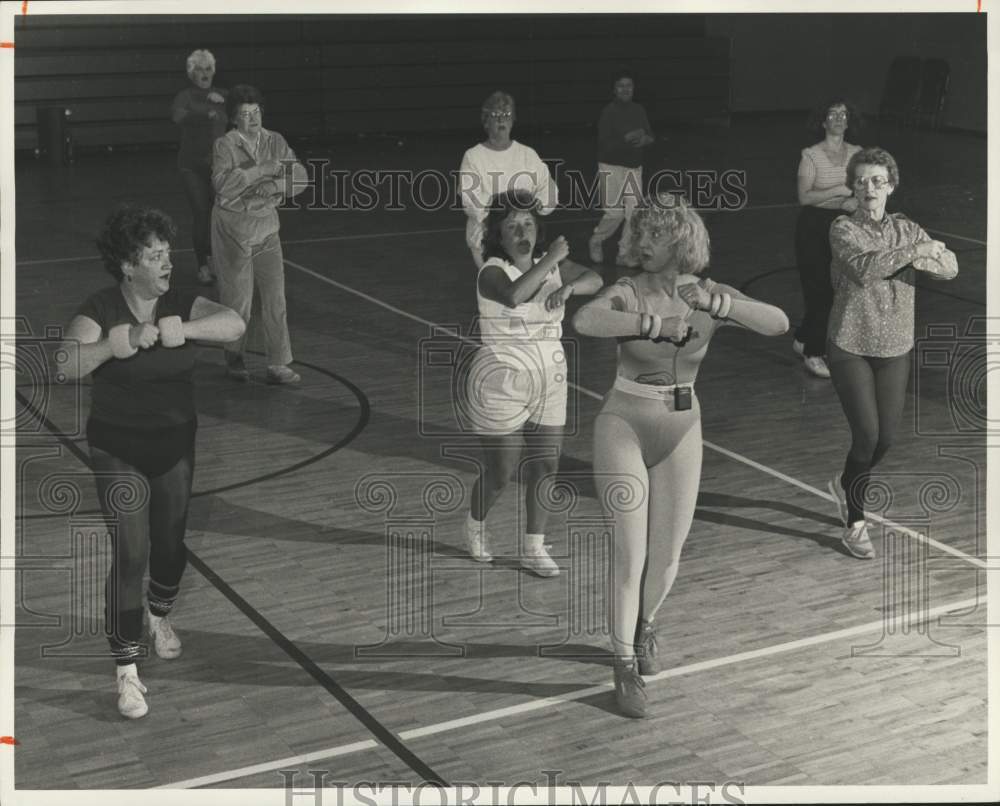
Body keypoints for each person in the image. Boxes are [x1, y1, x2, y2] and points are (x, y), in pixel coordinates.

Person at [573, 194, 789, 718]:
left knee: (667, 556)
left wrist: (726, 306)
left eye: (654, 235)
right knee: (631, 554)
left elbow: (780, 323)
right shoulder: (628, 290)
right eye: (639, 233)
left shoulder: (707, 293)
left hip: (683, 429)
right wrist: (649, 325)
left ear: (681, 241)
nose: (641, 243)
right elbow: (585, 320)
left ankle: (646, 626)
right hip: (623, 424)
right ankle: (622, 666)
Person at [59, 205, 246, 719]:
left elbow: (234, 325)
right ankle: (126, 671)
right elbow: (66, 363)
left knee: (170, 545)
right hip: (117, 445)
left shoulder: (181, 300)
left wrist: (185, 329)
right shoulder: (101, 306)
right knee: (132, 552)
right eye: (155, 256)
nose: (167, 264)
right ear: (127, 265)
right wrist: (114, 344)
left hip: (175, 441)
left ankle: (159, 615)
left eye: (168, 253)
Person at [826, 147, 957, 560]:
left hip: (895, 346)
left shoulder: (908, 228)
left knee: (885, 439)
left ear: (891, 186)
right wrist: (916, 252)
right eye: (861, 180)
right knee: (865, 434)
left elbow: (950, 267)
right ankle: (855, 522)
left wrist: (934, 255)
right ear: (852, 187)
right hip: (850, 344)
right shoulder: (843, 229)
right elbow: (865, 268)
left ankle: (845, 482)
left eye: (877, 180)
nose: (869, 187)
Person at [462, 190, 602, 576]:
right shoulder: (491, 270)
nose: (522, 230)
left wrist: (571, 286)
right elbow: (514, 295)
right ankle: (474, 525)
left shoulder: (550, 264)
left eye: (527, 223)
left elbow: (596, 278)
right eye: (511, 225)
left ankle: (532, 548)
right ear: (499, 235)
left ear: (537, 228)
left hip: (550, 378)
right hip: (500, 381)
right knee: (502, 471)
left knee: (545, 465)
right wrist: (555, 261)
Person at [211, 84, 309, 384]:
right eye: (244, 114)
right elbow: (223, 186)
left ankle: (278, 363)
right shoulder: (225, 145)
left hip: (267, 227)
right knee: (237, 298)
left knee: (275, 298)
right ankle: (234, 355)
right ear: (233, 119)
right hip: (233, 228)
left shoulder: (275, 140)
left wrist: (277, 185)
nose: (252, 119)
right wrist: (262, 170)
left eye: (256, 112)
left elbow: (301, 177)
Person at [792, 99, 863, 378]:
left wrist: (849, 200)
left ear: (849, 121)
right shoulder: (810, 155)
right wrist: (839, 192)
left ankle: (802, 338)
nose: (838, 118)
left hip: (845, 227)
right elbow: (804, 197)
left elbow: (860, 189)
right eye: (832, 114)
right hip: (813, 227)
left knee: (837, 289)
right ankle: (813, 353)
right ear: (823, 122)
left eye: (843, 114)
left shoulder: (857, 154)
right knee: (820, 289)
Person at [458, 91, 559, 270]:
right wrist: (504, 211)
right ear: (486, 121)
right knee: (500, 290)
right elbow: (469, 197)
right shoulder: (473, 156)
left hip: (523, 238)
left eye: (506, 115)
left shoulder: (528, 154)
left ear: (513, 121)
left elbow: (547, 187)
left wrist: (537, 205)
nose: (501, 120)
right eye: (495, 115)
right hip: (487, 237)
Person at [171, 49, 228, 286]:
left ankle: (217, 260)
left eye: (207, 69)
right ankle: (202, 265)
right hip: (191, 166)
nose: (204, 73)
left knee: (220, 216)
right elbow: (179, 117)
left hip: (219, 166)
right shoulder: (185, 96)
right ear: (191, 73)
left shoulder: (225, 95)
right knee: (201, 213)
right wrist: (207, 111)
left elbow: (247, 113)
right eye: (198, 69)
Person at [588, 71, 655, 269]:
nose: (626, 89)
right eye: (621, 86)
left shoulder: (639, 110)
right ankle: (596, 240)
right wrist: (626, 139)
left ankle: (624, 253)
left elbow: (650, 135)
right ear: (614, 90)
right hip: (611, 167)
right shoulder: (609, 112)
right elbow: (604, 144)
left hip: (633, 168)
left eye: (629, 86)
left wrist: (645, 139)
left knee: (633, 213)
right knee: (614, 213)